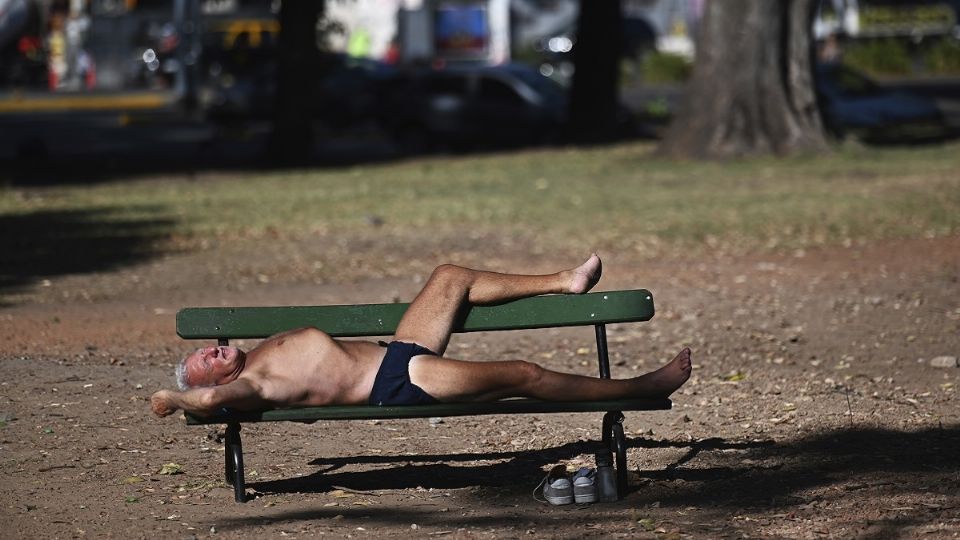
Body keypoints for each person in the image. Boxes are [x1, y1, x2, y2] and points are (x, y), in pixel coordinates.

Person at [151, 254, 692, 418]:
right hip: (398, 378)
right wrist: (176, 397)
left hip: (396, 354)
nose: (210, 351)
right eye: (205, 359)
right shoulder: (254, 384)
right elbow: (213, 399)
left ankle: (565, 282)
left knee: (451, 276)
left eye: (204, 349)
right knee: (524, 375)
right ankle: (639, 387)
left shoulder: (257, 354)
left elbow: (212, 384)